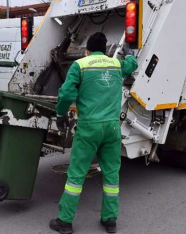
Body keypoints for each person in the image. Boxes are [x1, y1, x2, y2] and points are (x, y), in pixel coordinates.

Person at [49, 32, 138, 234]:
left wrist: (61, 113)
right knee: (111, 173)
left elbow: (66, 93)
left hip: (89, 127)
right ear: (106, 49)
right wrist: (128, 52)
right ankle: (110, 220)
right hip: (112, 127)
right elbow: (132, 64)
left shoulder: (79, 65)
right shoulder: (116, 64)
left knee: (77, 174)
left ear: (87, 49)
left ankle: (65, 221)